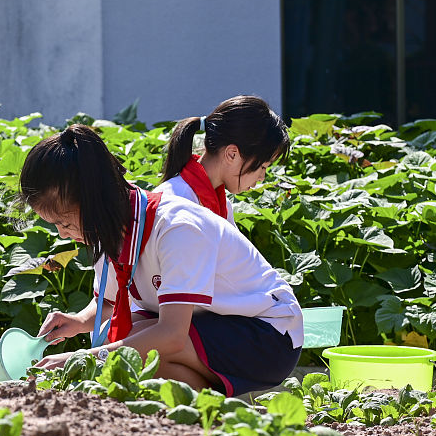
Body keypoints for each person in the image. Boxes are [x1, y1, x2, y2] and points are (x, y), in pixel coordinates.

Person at [23, 126, 303, 395]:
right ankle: (206, 405)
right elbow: (108, 303)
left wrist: (85, 359)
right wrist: (77, 321)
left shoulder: (177, 227)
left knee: (139, 352)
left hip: (269, 334)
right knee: (120, 337)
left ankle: (198, 404)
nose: (63, 233)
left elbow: (171, 335)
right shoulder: (106, 227)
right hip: (214, 322)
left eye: (64, 223)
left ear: (94, 200)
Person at [157, 95, 291, 221]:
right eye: (263, 167)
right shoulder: (178, 204)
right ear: (232, 154)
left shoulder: (221, 205)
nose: (262, 177)